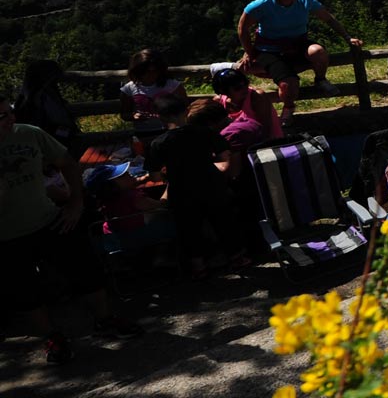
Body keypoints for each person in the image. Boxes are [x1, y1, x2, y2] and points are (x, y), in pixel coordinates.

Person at [0, 96, 144, 365]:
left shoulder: (29, 134)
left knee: (86, 269)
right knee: (25, 291)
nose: (11, 119)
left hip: (49, 219)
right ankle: (52, 337)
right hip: (6, 235)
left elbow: (67, 162)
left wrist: (76, 203)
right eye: (3, 116)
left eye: (10, 112)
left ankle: (105, 320)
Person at [237, 0, 363, 119]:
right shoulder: (260, 5)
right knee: (288, 84)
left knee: (318, 52)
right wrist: (250, 52)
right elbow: (242, 28)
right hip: (269, 49)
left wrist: (348, 38)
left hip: (298, 43)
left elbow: (328, 19)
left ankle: (320, 79)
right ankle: (288, 108)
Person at [148, 99, 249, 278]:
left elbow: (155, 177)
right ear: (186, 111)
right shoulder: (205, 132)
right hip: (211, 185)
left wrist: (169, 173)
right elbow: (224, 155)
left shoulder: (158, 143)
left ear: (160, 117)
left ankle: (199, 267)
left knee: (189, 229)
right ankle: (237, 259)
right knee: (224, 222)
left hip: (182, 191)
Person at [119, 47, 186, 144]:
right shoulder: (128, 89)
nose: (151, 74)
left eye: (154, 71)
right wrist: (134, 116)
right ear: (138, 70)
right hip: (143, 133)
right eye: (146, 71)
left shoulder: (173, 85)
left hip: (171, 130)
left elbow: (185, 107)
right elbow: (124, 114)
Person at [210, 66, 280, 148]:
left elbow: (266, 130)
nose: (244, 89)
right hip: (236, 144)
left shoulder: (256, 97)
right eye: (238, 88)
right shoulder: (219, 102)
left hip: (264, 144)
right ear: (224, 91)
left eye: (246, 84)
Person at [14, 60, 77, 147]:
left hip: (41, 138)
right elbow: (59, 121)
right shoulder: (44, 97)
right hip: (51, 139)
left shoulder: (26, 95)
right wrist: (70, 133)